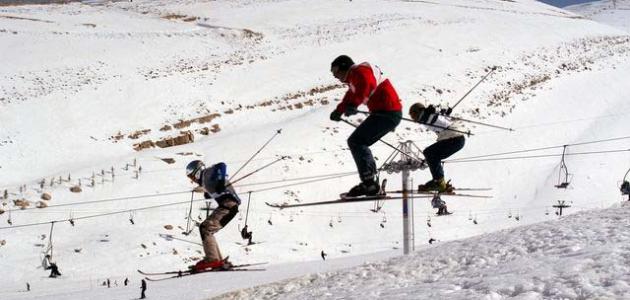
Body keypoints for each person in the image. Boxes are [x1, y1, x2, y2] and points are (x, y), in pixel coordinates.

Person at [329, 55, 402, 197]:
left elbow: (367, 85)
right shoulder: (354, 77)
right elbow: (351, 94)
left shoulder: (360, 72)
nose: (335, 76)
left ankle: (369, 184)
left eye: (335, 71)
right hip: (384, 112)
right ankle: (369, 182)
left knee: (357, 141)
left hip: (387, 112)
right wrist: (340, 110)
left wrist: (354, 104)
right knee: (358, 141)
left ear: (344, 66)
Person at [186, 160, 240, 272]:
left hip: (228, 206)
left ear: (197, 172)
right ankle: (217, 260)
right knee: (207, 229)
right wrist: (209, 193)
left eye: (192, 177)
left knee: (205, 228)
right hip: (228, 206)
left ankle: (212, 259)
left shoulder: (206, 173)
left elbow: (221, 165)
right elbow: (214, 188)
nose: (192, 180)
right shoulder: (206, 182)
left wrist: (220, 182)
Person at [409, 103, 466, 192]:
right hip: (457, 139)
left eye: (413, 115)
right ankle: (439, 181)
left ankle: (439, 182)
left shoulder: (426, 116)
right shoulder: (431, 116)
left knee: (430, 153)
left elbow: (432, 112)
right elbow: (440, 109)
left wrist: (431, 111)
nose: (413, 118)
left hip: (454, 139)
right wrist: (445, 111)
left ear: (418, 112)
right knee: (432, 155)